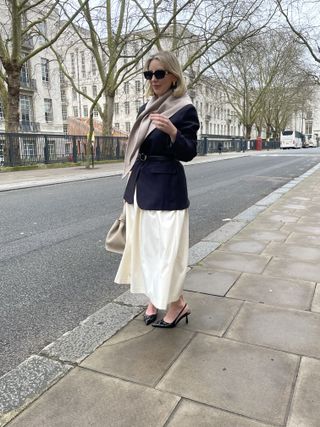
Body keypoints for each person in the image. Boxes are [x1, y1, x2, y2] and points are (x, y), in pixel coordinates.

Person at [114, 51, 200, 328]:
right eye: (149, 74)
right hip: (139, 185)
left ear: (173, 76)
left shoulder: (184, 108)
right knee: (144, 250)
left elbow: (189, 153)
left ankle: (177, 304)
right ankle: (154, 298)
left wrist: (174, 133)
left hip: (166, 189)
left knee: (166, 252)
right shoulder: (147, 107)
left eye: (159, 73)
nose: (153, 79)